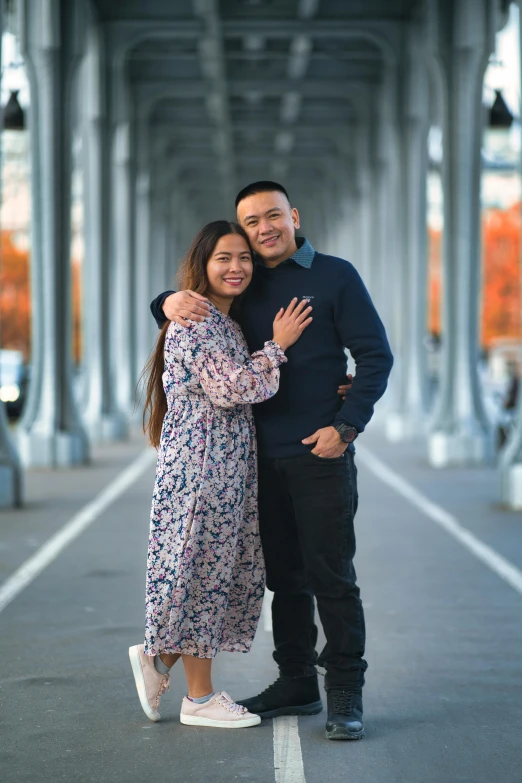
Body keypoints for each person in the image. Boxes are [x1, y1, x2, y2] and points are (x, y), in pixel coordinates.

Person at [150, 182, 394, 741]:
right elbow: (200, 313)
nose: (263, 230)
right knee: (284, 580)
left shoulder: (336, 275)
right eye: (251, 222)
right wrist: (164, 300)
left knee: (332, 577)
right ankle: (296, 682)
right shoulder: (248, 281)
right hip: (256, 461)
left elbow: (376, 355)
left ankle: (345, 693)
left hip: (320, 455)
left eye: (272, 217)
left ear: (294, 217)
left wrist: (346, 425)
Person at [129, 220, 313, 730]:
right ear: (202, 266)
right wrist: (277, 345)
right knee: (202, 573)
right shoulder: (195, 322)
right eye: (224, 258)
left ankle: (161, 661)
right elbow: (231, 388)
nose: (236, 267)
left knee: (214, 576)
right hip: (200, 471)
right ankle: (198, 698)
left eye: (244, 258)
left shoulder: (226, 324)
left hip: (224, 469)